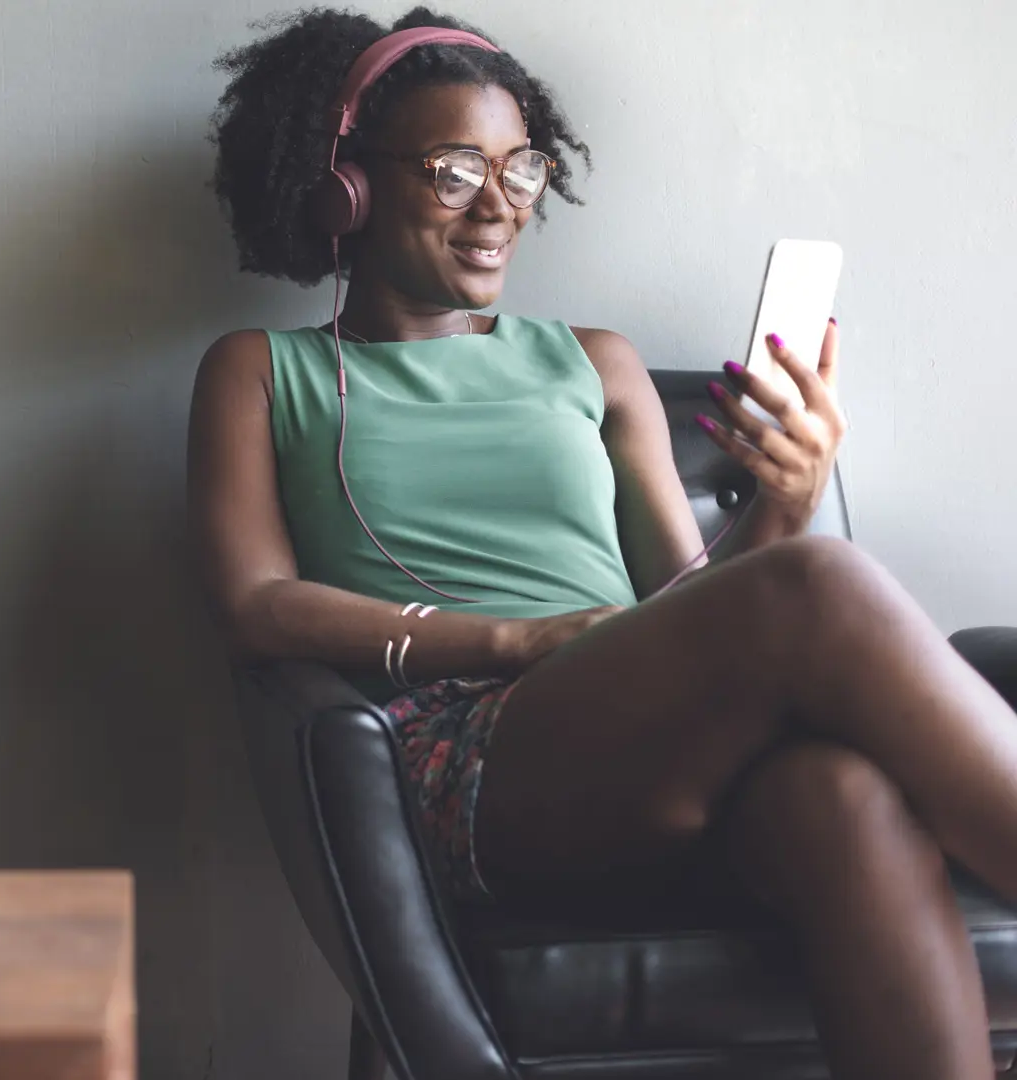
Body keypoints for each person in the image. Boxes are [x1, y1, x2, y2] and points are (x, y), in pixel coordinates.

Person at [188, 8, 1017, 1078]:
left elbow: (687, 598)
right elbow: (256, 605)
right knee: (818, 583)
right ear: (347, 185)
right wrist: (515, 644)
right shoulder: (260, 371)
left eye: (521, 169)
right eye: (452, 171)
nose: (498, 207)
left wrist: (785, 499)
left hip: (641, 727)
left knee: (841, 798)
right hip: (467, 757)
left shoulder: (595, 361)